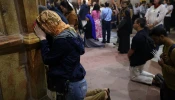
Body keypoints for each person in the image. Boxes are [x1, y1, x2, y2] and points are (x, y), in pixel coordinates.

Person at [34, 10, 87, 100]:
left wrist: (42, 39)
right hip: (79, 82)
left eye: (43, 27)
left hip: (71, 86)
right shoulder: (70, 31)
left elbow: (47, 59)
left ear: (48, 26)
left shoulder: (62, 40)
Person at [150, 27, 175, 100]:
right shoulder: (165, 46)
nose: (155, 42)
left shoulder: (173, 50)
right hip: (167, 83)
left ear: (162, 36)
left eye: (155, 39)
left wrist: (163, 65)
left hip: (173, 88)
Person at [128, 18, 155, 85]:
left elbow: (131, 51)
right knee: (140, 71)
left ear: (138, 24)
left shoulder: (137, 37)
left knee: (133, 77)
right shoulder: (146, 31)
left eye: (134, 23)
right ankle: (154, 76)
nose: (133, 24)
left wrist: (128, 56)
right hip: (144, 58)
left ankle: (153, 81)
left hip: (137, 60)